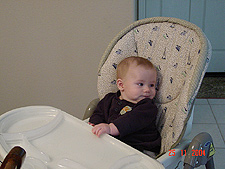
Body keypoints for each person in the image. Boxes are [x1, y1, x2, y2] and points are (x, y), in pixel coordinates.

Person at [89, 56, 161, 153]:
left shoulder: (147, 107)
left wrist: (111, 128)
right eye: (140, 84)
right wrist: (95, 124)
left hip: (140, 150)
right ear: (121, 85)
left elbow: (131, 120)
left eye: (151, 85)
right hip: (114, 144)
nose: (147, 90)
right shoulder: (109, 99)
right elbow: (99, 112)